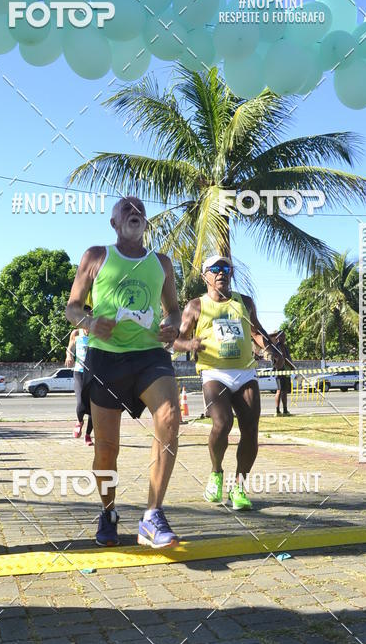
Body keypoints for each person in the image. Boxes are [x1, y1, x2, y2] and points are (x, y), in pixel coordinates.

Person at [66, 196, 181, 549]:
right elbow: (72, 308)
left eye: (140, 210)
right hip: (106, 358)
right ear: (114, 223)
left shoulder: (162, 263)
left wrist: (173, 326)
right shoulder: (96, 256)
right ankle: (108, 512)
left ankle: (152, 516)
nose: (134, 212)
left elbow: (174, 310)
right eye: (126, 209)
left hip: (149, 355)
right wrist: (89, 323)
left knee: (170, 417)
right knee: (106, 449)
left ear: (146, 223)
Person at [174, 254, 273, 511]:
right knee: (223, 422)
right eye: (215, 268)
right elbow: (176, 341)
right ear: (204, 275)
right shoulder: (196, 306)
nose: (221, 272)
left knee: (250, 429)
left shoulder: (244, 302)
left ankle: (239, 487)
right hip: (214, 373)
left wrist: (270, 348)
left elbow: (257, 332)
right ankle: (216, 472)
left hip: (245, 372)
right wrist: (190, 344)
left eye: (226, 268)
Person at [66, 306, 93, 445]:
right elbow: (70, 347)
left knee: (94, 406)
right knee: (81, 401)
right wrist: (69, 355)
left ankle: (88, 435)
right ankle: (79, 421)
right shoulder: (76, 333)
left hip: (94, 373)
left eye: (89, 317)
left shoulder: (98, 334)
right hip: (79, 371)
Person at [268, 330, 295, 416]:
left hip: (286, 372)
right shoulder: (276, 348)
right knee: (279, 391)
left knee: (284, 391)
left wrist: (291, 366)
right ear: (278, 337)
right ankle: (277, 411)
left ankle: (285, 410)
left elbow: (288, 359)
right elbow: (280, 359)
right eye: (282, 336)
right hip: (279, 371)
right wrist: (291, 365)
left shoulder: (285, 347)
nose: (284, 338)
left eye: (284, 336)